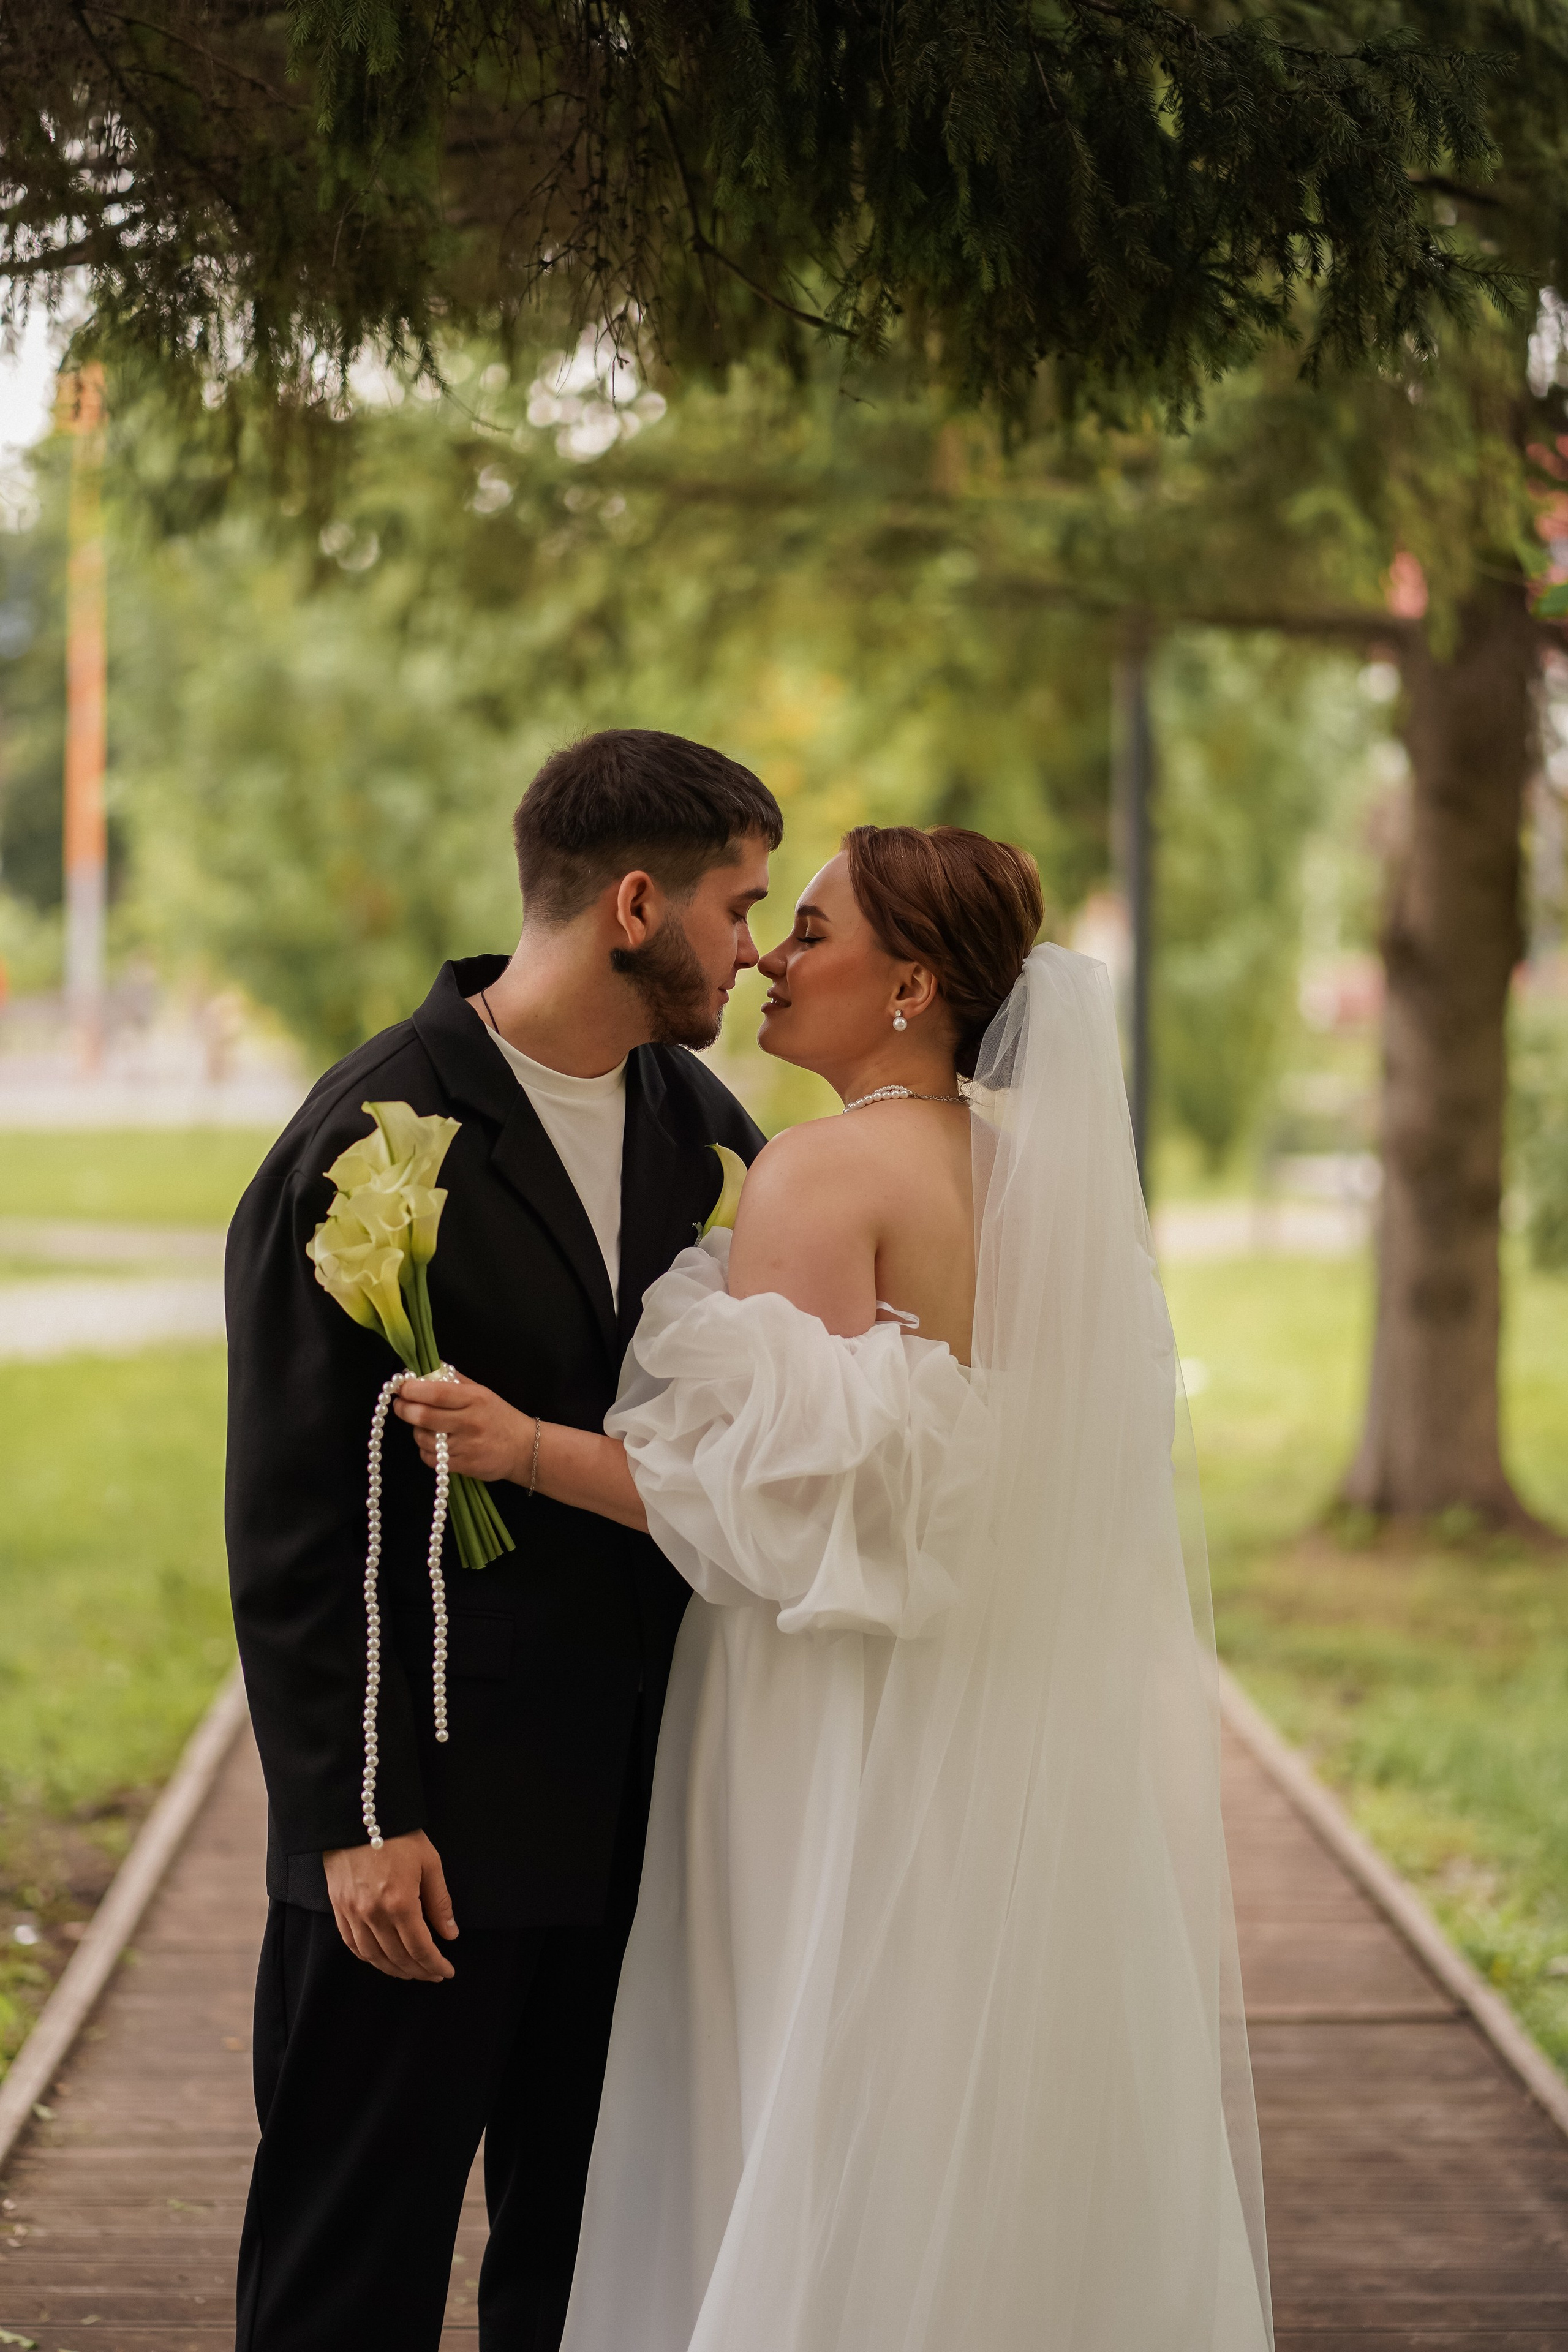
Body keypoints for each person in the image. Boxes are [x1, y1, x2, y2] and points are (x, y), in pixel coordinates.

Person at [398, 824, 1275, 2350]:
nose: (768, 960)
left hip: (825, 1711)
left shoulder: (819, 1172)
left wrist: (528, 1447)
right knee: (960, 2082)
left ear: (910, 983)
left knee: (796, 2058)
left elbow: (768, 1511)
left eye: (808, 931)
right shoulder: (1038, 1186)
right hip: (998, 1722)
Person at [225, 729, 782, 2352]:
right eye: (739, 908)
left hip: (637, 1834)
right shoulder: (371, 1134)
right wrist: (357, 1817)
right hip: (431, 1841)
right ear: (632, 905)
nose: (752, 949)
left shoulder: (704, 1132)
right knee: (349, 2282)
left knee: (590, 2283)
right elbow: (294, 1522)